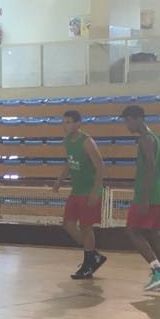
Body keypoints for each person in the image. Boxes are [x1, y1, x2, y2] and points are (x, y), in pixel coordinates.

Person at [123, 104, 160, 292]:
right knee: (153, 232)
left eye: (127, 121)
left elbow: (151, 168)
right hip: (159, 193)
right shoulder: (154, 138)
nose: (127, 125)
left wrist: (143, 198)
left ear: (137, 119)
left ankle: (157, 271)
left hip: (148, 195)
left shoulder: (145, 139)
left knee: (132, 231)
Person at [60, 109, 106, 279]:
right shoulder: (67, 141)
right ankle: (93, 254)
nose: (67, 125)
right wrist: (59, 180)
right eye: (64, 122)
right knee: (68, 224)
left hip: (88, 191)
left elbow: (100, 166)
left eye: (70, 122)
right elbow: (69, 162)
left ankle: (88, 263)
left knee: (86, 227)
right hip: (76, 190)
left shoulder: (87, 141)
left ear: (78, 123)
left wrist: (95, 190)